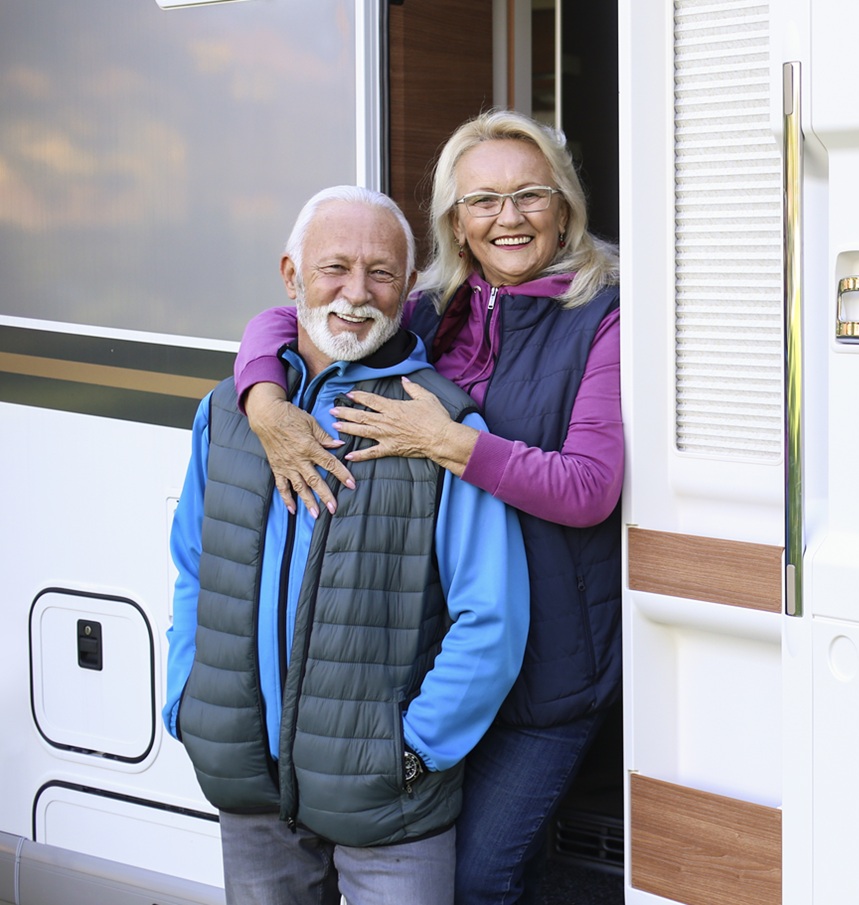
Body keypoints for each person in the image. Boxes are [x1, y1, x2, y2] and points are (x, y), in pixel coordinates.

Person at [230, 110, 623, 904]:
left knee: (482, 876)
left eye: (530, 195)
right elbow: (298, 312)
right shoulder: (430, 307)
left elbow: (589, 487)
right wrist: (263, 398)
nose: (507, 218)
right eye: (483, 201)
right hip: (433, 660)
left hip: (547, 662)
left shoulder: (605, 314)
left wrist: (449, 442)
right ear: (456, 220)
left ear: (565, 205)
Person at [163, 185, 531, 904]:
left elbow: (493, 619)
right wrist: (187, 699)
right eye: (334, 268)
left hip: (388, 806)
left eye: (382, 273)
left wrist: (414, 753)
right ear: (291, 276)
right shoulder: (229, 415)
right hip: (248, 781)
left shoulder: (444, 424)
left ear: (407, 287)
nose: (356, 293)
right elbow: (192, 567)